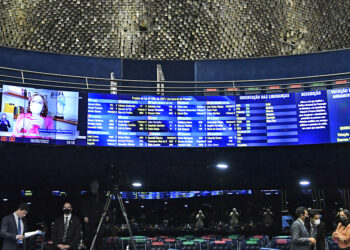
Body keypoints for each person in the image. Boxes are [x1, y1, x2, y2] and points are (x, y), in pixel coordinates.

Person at [81, 180, 105, 249]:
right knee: (90, 237)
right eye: (95, 184)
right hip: (90, 219)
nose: (97, 185)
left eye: (97, 184)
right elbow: (83, 206)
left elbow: (105, 205)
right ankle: (89, 247)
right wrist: (85, 215)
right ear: (91, 185)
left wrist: (107, 215)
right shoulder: (86, 195)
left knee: (99, 238)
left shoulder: (101, 194)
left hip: (99, 218)